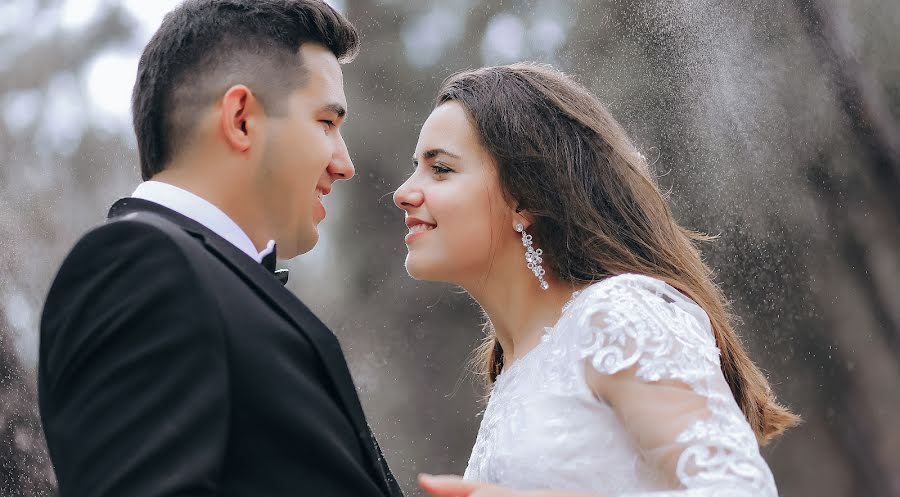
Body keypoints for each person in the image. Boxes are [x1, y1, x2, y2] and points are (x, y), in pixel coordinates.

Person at [38, 1, 402, 496]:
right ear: (241, 119)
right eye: (326, 123)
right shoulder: (138, 268)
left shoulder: (201, 280)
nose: (344, 163)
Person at [393, 63, 800, 497]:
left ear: (523, 199)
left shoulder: (618, 315)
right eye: (416, 167)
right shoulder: (513, 371)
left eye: (440, 169)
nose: (404, 192)